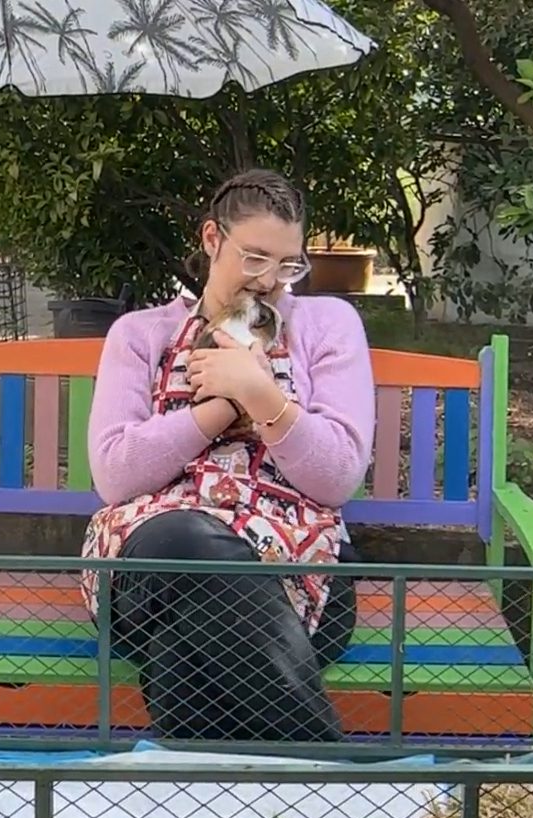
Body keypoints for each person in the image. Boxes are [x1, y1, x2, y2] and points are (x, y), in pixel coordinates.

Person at [80, 168, 375, 742]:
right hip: (148, 558)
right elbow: (114, 474)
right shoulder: (140, 334)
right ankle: (332, 781)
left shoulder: (328, 324)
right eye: (255, 258)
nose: (271, 282)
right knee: (183, 541)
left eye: (289, 265)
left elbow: (337, 476)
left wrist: (260, 393)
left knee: (182, 640)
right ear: (213, 240)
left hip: (295, 574)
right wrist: (215, 410)